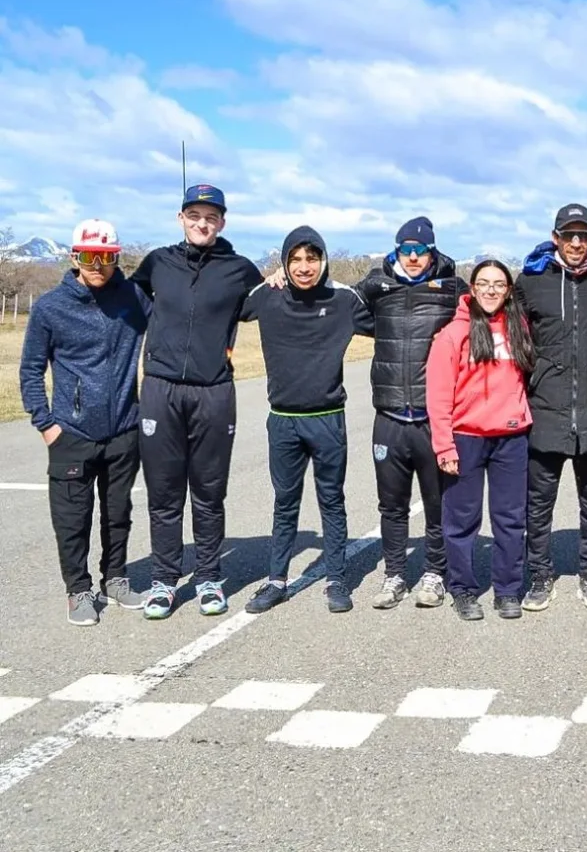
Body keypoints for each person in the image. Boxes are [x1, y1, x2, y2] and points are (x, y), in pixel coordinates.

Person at [132, 185, 266, 619]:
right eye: (194, 215)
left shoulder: (239, 269)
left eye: (210, 217)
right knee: (164, 494)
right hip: (161, 390)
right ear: (181, 218)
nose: (202, 223)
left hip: (213, 392)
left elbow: (276, 307)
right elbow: (119, 304)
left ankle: (209, 576)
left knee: (208, 492)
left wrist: (284, 277)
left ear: (222, 222)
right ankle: (163, 581)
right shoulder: (157, 263)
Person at [19, 220, 150, 626]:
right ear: (74, 256)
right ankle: (78, 589)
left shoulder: (134, 298)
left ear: (116, 257)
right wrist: (47, 425)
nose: (98, 265)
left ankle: (116, 578)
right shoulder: (50, 307)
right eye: (90, 256)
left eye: (107, 257)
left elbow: (183, 309)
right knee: (72, 519)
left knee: (118, 513)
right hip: (71, 434)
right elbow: (30, 370)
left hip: (124, 430)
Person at [239, 227, 375, 615]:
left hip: (327, 418)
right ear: (284, 262)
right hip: (283, 420)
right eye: (295, 259)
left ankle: (336, 579)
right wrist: (263, 280)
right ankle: (277, 581)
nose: (303, 266)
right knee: (285, 503)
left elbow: (392, 324)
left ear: (323, 260)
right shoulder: (267, 296)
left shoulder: (343, 299)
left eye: (311, 258)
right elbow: (224, 306)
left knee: (332, 500)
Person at [514, 204, 587, 611]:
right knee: (538, 503)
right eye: (569, 235)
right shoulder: (530, 284)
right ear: (556, 237)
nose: (576, 242)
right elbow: (513, 335)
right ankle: (540, 575)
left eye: (583, 235)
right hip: (545, 409)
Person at [355, 217, 468, 611]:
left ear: (432, 251)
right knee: (392, 505)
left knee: (437, 503)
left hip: (432, 417)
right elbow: (341, 309)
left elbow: (486, 314)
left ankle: (435, 573)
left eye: (421, 250)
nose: (414, 256)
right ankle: (394, 575)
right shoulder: (376, 284)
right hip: (388, 416)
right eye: (407, 249)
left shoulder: (453, 288)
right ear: (396, 250)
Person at [427, 260, 535, 622]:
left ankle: (507, 590)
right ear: (472, 289)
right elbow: (438, 395)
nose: (491, 290)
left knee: (510, 519)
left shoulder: (519, 328)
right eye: (484, 283)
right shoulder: (453, 334)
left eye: (499, 284)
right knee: (461, 521)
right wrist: (444, 445)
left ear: (508, 291)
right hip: (466, 437)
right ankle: (463, 588)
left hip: (511, 438)